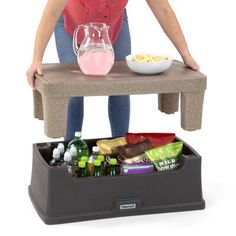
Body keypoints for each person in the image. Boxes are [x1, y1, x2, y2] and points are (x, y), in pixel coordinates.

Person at [26, 0, 200, 140]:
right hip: (70, 25)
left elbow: (163, 9)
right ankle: (71, 153)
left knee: (121, 87)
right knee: (73, 91)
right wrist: (36, 59)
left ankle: (121, 151)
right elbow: (51, 12)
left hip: (114, 24)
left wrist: (186, 54)